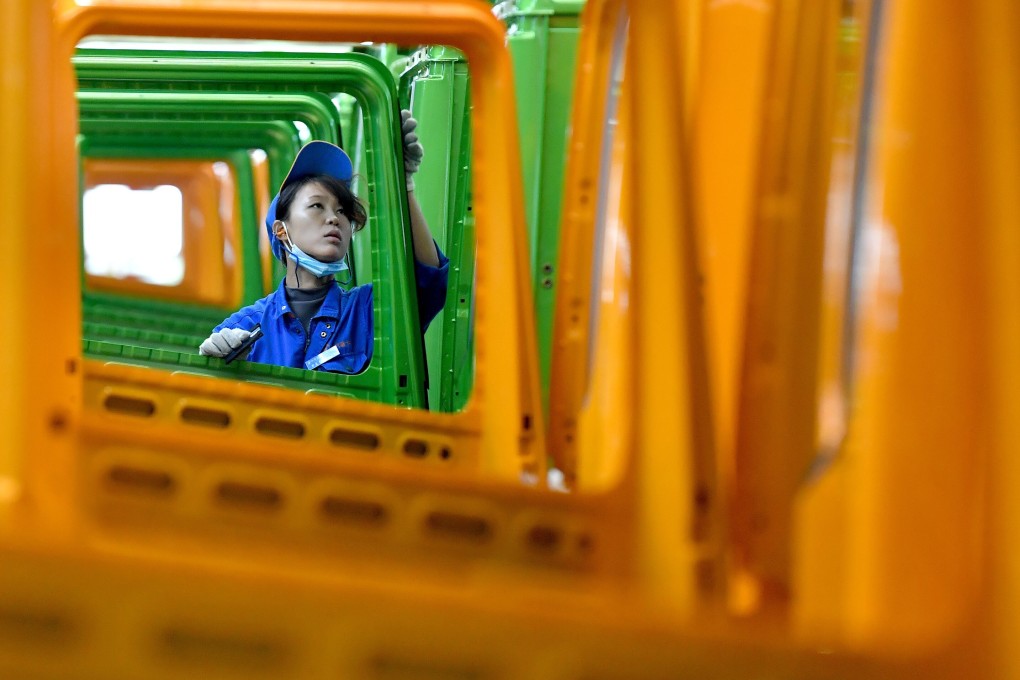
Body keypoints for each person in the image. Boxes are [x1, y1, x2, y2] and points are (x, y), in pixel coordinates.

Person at [198, 110, 448, 374]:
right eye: (317, 206)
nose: (334, 219)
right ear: (282, 231)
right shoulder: (246, 326)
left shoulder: (367, 309)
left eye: (342, 211)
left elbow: (428, 282)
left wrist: (403, 184)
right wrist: (212, 365)